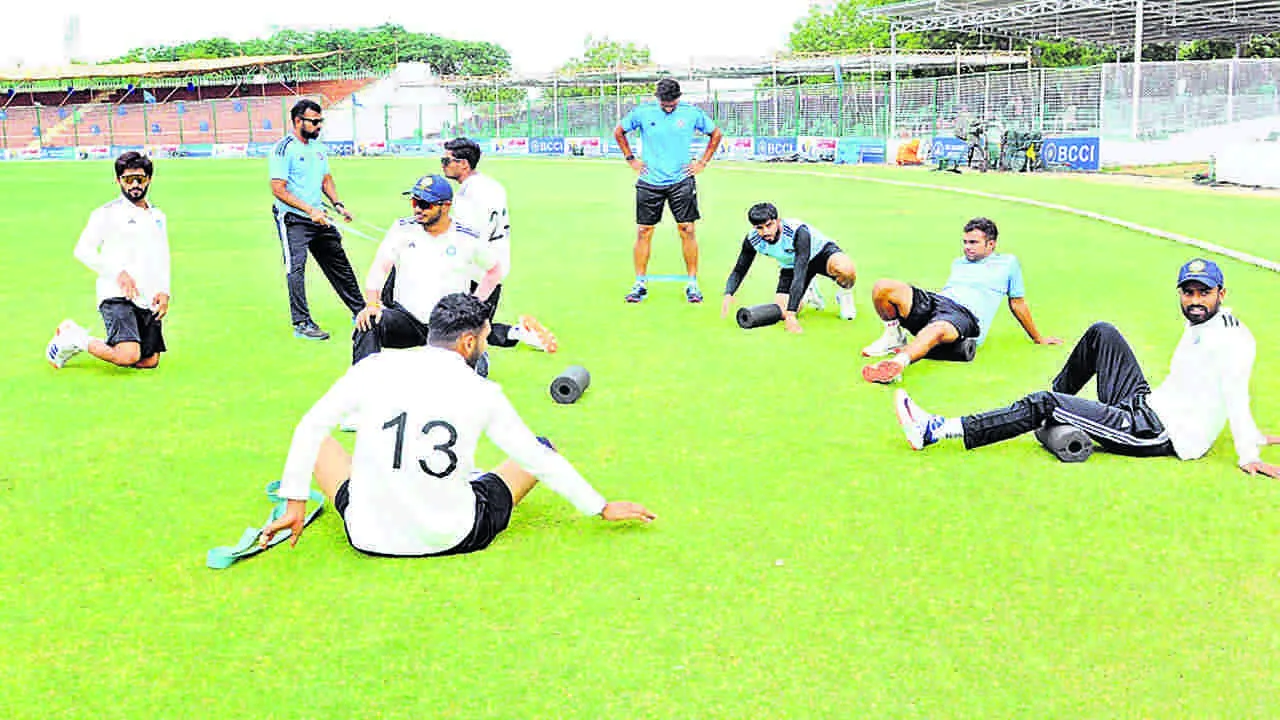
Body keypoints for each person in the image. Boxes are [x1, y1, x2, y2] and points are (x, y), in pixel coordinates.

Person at [258, 293, 656, 557]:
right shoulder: (483, 390)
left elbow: (309, 428)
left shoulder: (373, 367)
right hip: (453, 534)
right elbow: (535, 459)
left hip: (367, 535)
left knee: (323, 441)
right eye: (483, 338)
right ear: (468, 343)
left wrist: (295, 500)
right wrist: (600, 506)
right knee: (542, 446)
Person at [894, 258, 1280, 477]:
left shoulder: (1232, 338)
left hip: (1156, 433)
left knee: (1045, 403)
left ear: (1221, 295)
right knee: (1103, 333)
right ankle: (1047, 406)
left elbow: (1235, 391)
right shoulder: (1200, 323)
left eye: (1204, 293)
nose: (1195, 300)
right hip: (1146, 405)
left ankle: (936, 431)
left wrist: (1249, 450)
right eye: (1189, 292)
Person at [861, 217, 1060, 384]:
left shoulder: (1008, 263)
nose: (967, 247)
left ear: (991, 244)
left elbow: (1017, 303)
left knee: (937, 329)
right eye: (965, 242)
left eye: (973, 243)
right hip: (938, 302)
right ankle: (894, 336)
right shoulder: (959, 262)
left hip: (966, 316)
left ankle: (897, 364)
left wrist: (1038, 337)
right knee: (883, 287)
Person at [351, 175, 498, 369]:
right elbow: (380, 267)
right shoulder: (402, 229)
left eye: (425, 204)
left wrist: (474, 305)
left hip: (447, 324)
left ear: (445, 206)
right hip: (408, 317)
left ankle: (476, 358)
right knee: (368, 322)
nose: (418, 209)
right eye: (414, 202)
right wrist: (372, 303)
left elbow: (494, 270)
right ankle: (362, 387)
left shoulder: (466, 236)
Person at [47, 151, 171, 370]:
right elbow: (83, 250)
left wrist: (164, 291)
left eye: (140, 179)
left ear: (149, 179)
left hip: (145, 296)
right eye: (127, 179)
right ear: (118, 180)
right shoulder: (106, 214)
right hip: (115, 294)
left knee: (149, 361)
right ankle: (73, 337)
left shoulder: (158, 216)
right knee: (128, 356)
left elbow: (162, 255)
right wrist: (118, 274)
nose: (134, 184)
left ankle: (100, 341)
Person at [440, 136, 557, 353]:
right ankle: (520, 333)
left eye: (446, 161)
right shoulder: (492, 185)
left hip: (477, 270)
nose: (443, 166)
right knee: (476, 325)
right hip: (498, 263)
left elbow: (469, 237)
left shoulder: (467, 195)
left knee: (463, 330)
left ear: (463, 164)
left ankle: (515, 337)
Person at [613, 78, 723, 304]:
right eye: (665, 103)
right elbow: (619, 132)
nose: (669, 107)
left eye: (672, 103)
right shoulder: (642, 112)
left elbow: (716, 134)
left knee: (687, 229)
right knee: (644, 230)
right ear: (657, 98)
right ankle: (639, 283)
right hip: (649, 180)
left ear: (679, 97)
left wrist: (702, 162)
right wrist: (631, 159)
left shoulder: (691, 113)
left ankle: (692, 283)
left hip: (681, 180)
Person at [269, 98, 364, 341]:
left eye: (320, 121)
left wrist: (338, 204)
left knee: (339, 262)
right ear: (298, 121)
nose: (318, 126)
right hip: (293, 218)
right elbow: (278, 189)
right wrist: (309, 211)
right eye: (314, 122)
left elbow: (326, 179)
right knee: (296, 268)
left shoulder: (318, 148)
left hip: (319, 217)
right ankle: (301, 323)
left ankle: (360, 311)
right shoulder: (283, 148)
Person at [720, 202, 858, 333]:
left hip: (820, 254)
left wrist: (791, 316)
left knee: (846, 270)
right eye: (759, 228)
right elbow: (739, 269)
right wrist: (729, 293)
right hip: (791, 265)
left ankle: (845, 294)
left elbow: (801, 270)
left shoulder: (797, 231)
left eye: (769, 225)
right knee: (782, 311)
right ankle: (809, 292)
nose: (765, 231)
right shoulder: (753, 240)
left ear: (778, 221)